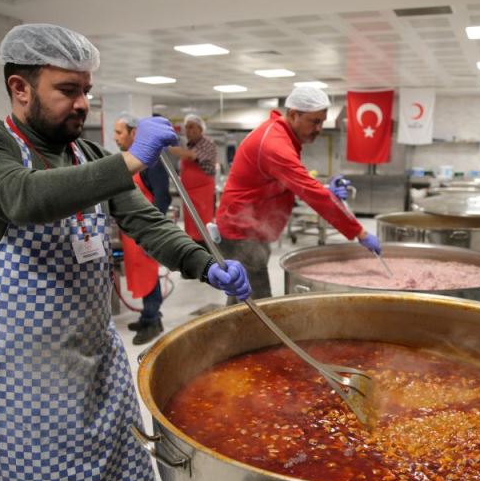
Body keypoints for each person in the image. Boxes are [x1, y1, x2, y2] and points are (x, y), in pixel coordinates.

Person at [0, 24, 251, 481]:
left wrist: (204, 263)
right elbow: (25, 197)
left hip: (98, 380)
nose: (83, 103)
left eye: (86, 90)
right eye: (68, 90)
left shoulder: (89, 156)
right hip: (23, 393)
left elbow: (145, 220)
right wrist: (130, 159)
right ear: (20, 88)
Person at [216, 86, 381, 302]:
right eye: (315, 121)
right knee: (256, 304)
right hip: (241, 231)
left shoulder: (280, 135)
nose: (320, 128)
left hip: (250, 226)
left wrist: (325, 189)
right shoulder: (275, 144)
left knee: (242, 296)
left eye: (321, 122)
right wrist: (360, 233)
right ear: (293, 114)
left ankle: (235, 332)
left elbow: (288, 181)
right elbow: (309, 192)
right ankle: (256, 335)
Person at [113, 112, 172, 344]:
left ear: (133, 133)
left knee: (148, 275)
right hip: (132, 230)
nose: (116, 138)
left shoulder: (152, 161)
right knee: (139, 274)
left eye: (119, 132)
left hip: (145, 231)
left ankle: (153, 321)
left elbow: (162, 197)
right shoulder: (129, 158)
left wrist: (152, 232)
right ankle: (148, 316)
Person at [169, 114, 217, 248]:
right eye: (186, 128)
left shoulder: (207, 143)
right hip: (189, 194)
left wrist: (166, 145)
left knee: (203, 228)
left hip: (203, 194)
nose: (188, 131)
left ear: (201, 129)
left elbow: (190, 156)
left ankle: (207, 253)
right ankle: (194, 250)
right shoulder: (189, 145)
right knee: (191, 229)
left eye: (191, 127)